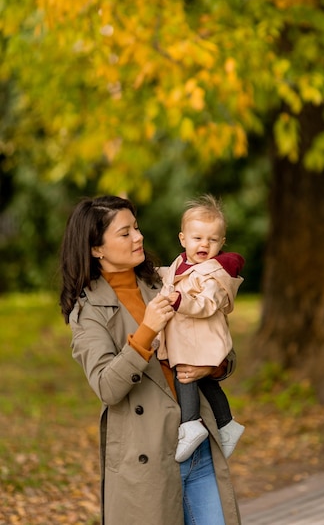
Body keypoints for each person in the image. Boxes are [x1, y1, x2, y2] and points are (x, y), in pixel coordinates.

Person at [59, 195, 241, 525]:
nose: (139, 237)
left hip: (197, 444)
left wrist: (212, 367)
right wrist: (147, 330)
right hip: (148, 460)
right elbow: (106, 387)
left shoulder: (165, 281)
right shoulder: (87, 313)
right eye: (125, 232)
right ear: (96, 248)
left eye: (137, 228)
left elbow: (218, 342)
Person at [157, 194, 245, 463]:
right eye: (197, 238)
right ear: (183, 239)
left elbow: (206, 304)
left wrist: (182, 301)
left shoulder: (216, 275)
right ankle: (227, 424)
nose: (204, 244)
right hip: (190, 336)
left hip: (203, 337)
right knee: (204, 383)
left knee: (186, 374)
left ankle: (190, 424)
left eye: (212, 239)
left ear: (222, 243)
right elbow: (171, 277)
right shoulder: (182, 262)